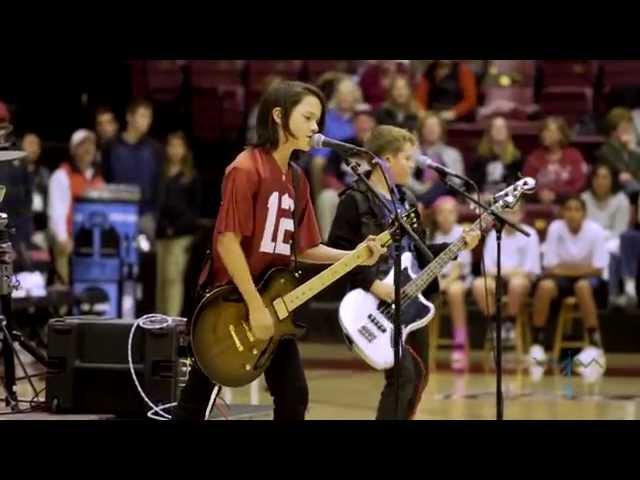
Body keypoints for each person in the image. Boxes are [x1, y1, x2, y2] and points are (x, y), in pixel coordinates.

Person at [174, 81, 386, 421]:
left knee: (293, 396)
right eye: (308, 117)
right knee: (196, 400)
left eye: (318, 120)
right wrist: (254, 306)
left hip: (275, 304)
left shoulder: (298, 179)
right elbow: (227, 242)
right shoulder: (246, 168)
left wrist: (354, 256)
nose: (316, 128)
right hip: (229, 303)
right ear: (278, 116)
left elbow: (307, 247)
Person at [328, 125, 480, 419]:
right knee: (403, 378)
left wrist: (459, 245)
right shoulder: (354, 200)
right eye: (407, 158)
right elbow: (339, 257)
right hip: (374, 303)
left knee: (419, 377)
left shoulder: (409, 200)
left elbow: (419, 255)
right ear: (385, 159)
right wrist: (373, 285)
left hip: (410, 299)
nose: (413, 165)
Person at [529, 196, 609, 382]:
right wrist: (577, 270)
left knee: (582, 285)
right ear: (563, 212)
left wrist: (566, 269)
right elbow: (549, 267)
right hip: (563, 280)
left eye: (577, 209)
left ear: (584, 213)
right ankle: (538, 342)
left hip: (593, 283)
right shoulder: (556, 228)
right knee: (545, 286)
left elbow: (598, 268)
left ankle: (595, 344)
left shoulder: (595, 231)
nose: (572, 214)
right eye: (569, 209)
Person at [472, 200, 541, 350]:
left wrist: (505, 271)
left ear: (522, 214)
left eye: (514, 212)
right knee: (478, 285)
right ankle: (495, 323)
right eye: (507, 212)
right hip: (497, 280)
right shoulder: (493, 235)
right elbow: (488, 268)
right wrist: (509, 271)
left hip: (522, 281)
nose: (510, 216)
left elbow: (529, 270)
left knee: (516, 283)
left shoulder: (530, 234)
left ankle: (510, 323)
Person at [48, 129, 105, 285]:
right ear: (73, 150)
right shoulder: (61, 176)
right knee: (63, 262)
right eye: (82, 145)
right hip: (70, 236)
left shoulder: (97, 177)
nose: (88, 149)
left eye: (91, 144)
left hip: (92, 237)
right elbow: (56, 212)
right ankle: (62, 306)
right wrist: (63, 238)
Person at [102, 99, 163, 242]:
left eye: (149, 117)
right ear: (129, 117)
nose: (147, 121)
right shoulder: (111, 147)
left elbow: (159, 183)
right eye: (142, 116)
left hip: (145, 215)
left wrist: (155, 214)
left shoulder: (155, 149)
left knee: (145, 261)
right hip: (116, 213)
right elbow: (105, 179)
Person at [155, 131, 202, 317]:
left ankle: (172, 318)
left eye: (178, 146)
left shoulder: (191, 177)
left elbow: (194, 211)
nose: (174, 150)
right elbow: (157, 203)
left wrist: (176, 227)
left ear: (185, 150)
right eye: (171, 145)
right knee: (160, 279)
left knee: (173, 278)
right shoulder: (161, 174)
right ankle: (158, 316)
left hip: (181, 234)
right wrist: (162, 225)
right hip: (161, 233)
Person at [431, 196, 474, 371]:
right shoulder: (432, 235)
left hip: (459, 278)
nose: (446, 216)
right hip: (437, 278)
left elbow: (458, 268)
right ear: (435, 216)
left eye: (450, 212)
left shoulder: (462, 232)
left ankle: (460, 342)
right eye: (442, 213)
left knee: (455, 292)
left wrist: (444, 284)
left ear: (456, 214)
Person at [580, 163, 631, 305]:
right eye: (596, 177)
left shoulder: (621, 200)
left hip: (612, 243)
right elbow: (582, 229)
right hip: (588, 244)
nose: (600, 181)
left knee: (614, 248)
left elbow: (620, 231)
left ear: (612, 180)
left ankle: (612, 291)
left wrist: (600, 238)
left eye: (604, 177)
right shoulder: (583, 198)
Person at [522, 117, 589, 205]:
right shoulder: (534, 157)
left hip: (567, 204)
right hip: (539, 204)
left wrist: (557, 194)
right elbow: (526, 185)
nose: (545, 134)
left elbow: (579, 184)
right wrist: (539, 193)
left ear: (561, 135)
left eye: (550, 131)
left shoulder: (574, 156)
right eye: (544, 131)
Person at [408, 112, 465, 206]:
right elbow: (407, 179)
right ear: (421, 130)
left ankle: (423, 202)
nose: (431, 130)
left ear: (441, 130)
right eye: (428, 126)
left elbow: (458, 182)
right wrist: (422, 188)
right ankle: (422, 201)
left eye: (435, 126)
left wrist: (434, 186)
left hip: (445, 195)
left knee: (442, 185)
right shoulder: (413, 153)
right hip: (417, 192)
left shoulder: (453, 153)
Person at [471, 116, 523, 195]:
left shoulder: (516, 158)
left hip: (507, 200)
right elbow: (472, 185)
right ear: (489, 132)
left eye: (502, 128)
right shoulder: (479, 157)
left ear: (508, 132)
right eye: (495, 128)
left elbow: (519, 186)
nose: (499, 130)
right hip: (483, 199)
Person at [21, 132, 50, 248]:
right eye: (29, 143)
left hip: (40, 228)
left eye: (36, 145)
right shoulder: (12, 172)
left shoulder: (44, 173)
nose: (33, 148)